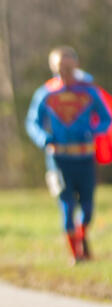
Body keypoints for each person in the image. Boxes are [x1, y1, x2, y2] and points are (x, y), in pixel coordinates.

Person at [26, 45, 111, 263]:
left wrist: (93, 130)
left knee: (88, 207)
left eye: (68, 67)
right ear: (53, 67)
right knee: (66, 205)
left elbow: (106, 117)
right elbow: (32, 122)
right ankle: (76, 255)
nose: (64, 72)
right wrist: (43, 138)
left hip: (84, 157)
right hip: (58, 159)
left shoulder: (88, 92)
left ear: (76, 65)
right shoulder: (46, 93)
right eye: (59, 67)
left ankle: (82, 237)